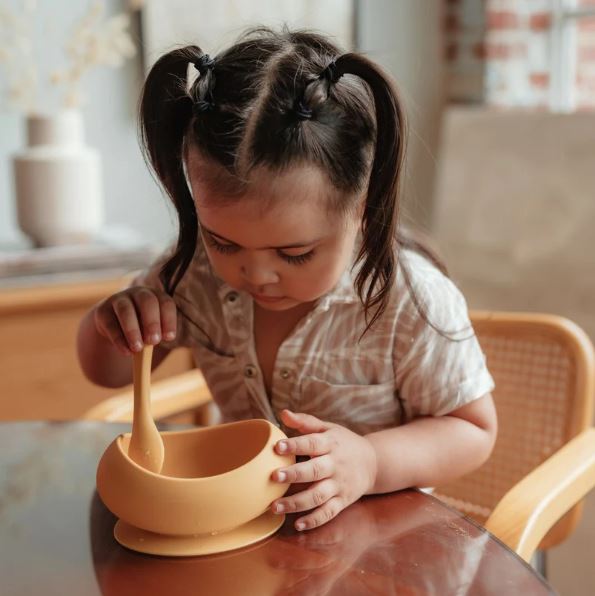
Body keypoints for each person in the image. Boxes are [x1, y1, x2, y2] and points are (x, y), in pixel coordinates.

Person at [78, 27, 497, 533]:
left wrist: (371, 461)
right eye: (224, 242)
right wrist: (117, 325)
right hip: (246, 535)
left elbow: (472, 429)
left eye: (295, 252)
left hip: (382, 548)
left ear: (361, 210)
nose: (254, 273)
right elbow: (107, 374)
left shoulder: (411, 303)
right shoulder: (193, 276)